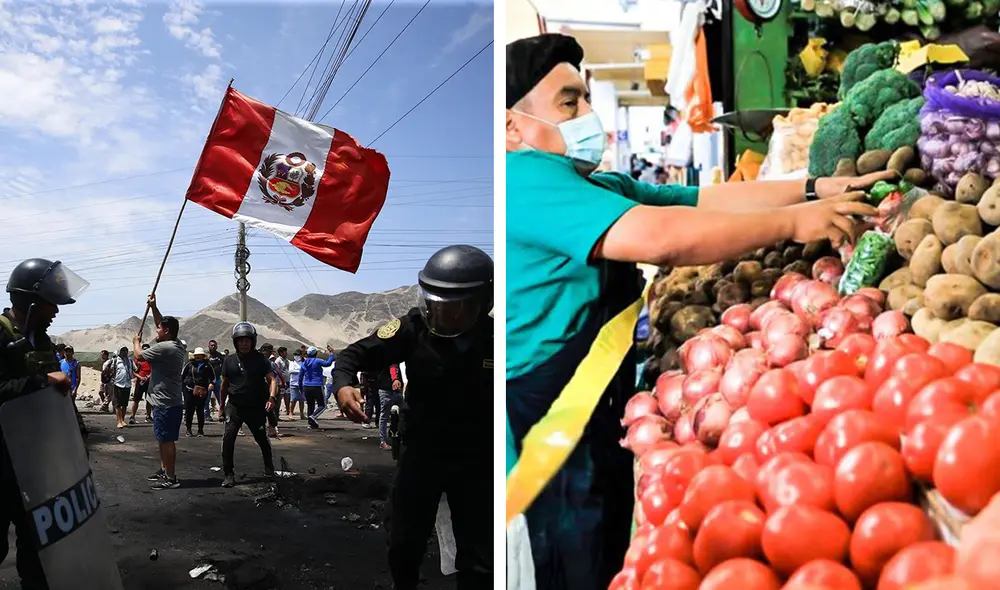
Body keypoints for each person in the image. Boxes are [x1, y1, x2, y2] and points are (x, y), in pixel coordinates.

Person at [504, 33, 888, 589]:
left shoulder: (590, 181)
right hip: (551, 409)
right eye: (570, 103)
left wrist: (815, 187)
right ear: (513, 126)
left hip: (588, 389)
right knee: (572, 548)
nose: (588, 114)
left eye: (585, 99)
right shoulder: (525, 180)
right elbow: (660, 237)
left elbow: (702, 201)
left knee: (601, 524)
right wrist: (794, 222)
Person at [333, 245, 493, 590]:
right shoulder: (413, 328)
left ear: (482, 303)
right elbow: (354, 354)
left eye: (454, 307)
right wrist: (343, 386)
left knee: (480, 554)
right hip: (421, 452)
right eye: (435, 303)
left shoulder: (498, 338)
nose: (442, 313)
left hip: (477, 457)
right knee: (404, 540)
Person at [0, 258, 88, 588]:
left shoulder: (43, 341)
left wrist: (78, 439)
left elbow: (59, 395)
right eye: (52, 303)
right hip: (2, 462)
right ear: (32, 302)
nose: (56, 311)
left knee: (38, 551)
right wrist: (38, 382)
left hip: (35, 466)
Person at [132, 294, 187, 490]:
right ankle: (164, 470)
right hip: (167, 401)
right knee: (162, 438)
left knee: (166, 440)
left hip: (166, 402)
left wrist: (136, 341)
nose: (156, 330)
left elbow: (139, 355)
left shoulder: (166, 348)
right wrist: (154, 307)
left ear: (167, 332)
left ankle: (171, 478)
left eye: (159, 329)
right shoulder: (176, 344)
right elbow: (161, 323)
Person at [219, 322, 277, 488]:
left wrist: (271, 398)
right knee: (228, 438)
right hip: (235, 405)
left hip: (255, 406)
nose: (244, 343)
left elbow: (272, 379)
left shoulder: (261, 360)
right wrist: (222, 406)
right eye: (240, 340)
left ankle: (269, 469)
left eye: (247, 340)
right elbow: (224, 385)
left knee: (262, 439)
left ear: (252, 341)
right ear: (235, 342)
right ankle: (228, 474)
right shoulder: (229, 361)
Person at [297, 346, 334, 429]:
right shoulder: (317, 361)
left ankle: (311, 424)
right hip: (317, 385)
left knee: (310, 405)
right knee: (323, 405)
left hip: (306, 386)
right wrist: (331, 354)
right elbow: (328, 363)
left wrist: (300, 387)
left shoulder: (304, 363)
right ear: (315, 354)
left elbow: (300, 377)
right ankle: (313, 416)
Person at [182, 347, 216, 437]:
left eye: (200, 356)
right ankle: (188, 430)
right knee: (189, 409)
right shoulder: (189, 364)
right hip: (188, 389)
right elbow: (182, 376)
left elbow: (214, 377)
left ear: (203, 356)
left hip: (201, 390)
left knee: (200, 410)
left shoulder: (208, 365)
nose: (198, 357)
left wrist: (212, 384)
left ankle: (200, 430)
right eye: (196, 355)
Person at [111, 347, 133, 429]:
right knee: (117, 404)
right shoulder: (116, 360)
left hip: (127, 384)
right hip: (118, 384)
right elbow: (112, 370)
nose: (124, 352)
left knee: (124, 404)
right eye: (122, 350)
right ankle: (118, 421)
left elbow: (134, 369)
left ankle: (123, 420)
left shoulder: (130, 361)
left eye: (126, 350)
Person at [129, 344, 151, 424]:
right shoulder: (138, 360)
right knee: (136, 400)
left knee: (149, 400)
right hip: (140, 382)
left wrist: (150, 376)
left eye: (147, 349)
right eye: (144, 349)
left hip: (149, 382)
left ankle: (148, 416)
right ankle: (132, 416)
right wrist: (140, 377)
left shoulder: (152, 360)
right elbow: (134, 372)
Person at [206, 339, 225, 421]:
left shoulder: (220, 356)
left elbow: (224, 366)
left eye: (214, 345)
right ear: (209, 346)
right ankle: (206, 415)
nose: (213, 347)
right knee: (206, 399)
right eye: (211, 345)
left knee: (221, 398)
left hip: (217, 380)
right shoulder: (206, 357)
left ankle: (222, 414)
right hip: (208, 381)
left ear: (217, 346)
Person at [288, 350, 305, 419]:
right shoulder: (292, 363)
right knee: (293, 400)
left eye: (298, 355)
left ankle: (302, 414)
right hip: (294, 383)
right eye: (295, 355)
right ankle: (290, 413)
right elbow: (291, 371)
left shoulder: (303, 363)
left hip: (302, 384)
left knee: (302, 400)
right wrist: (301, 371)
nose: (296, 356)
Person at [274, 346, 291, 417]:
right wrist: (281, 381)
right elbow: (278, 372)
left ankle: (288, 411)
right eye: (285, 352)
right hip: (281, 382)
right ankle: (276, 414)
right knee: (279, 398)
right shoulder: (278, 361)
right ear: (281, 353)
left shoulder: (286, 360)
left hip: (287, 381)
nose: (286, 353)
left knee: (287, 397)